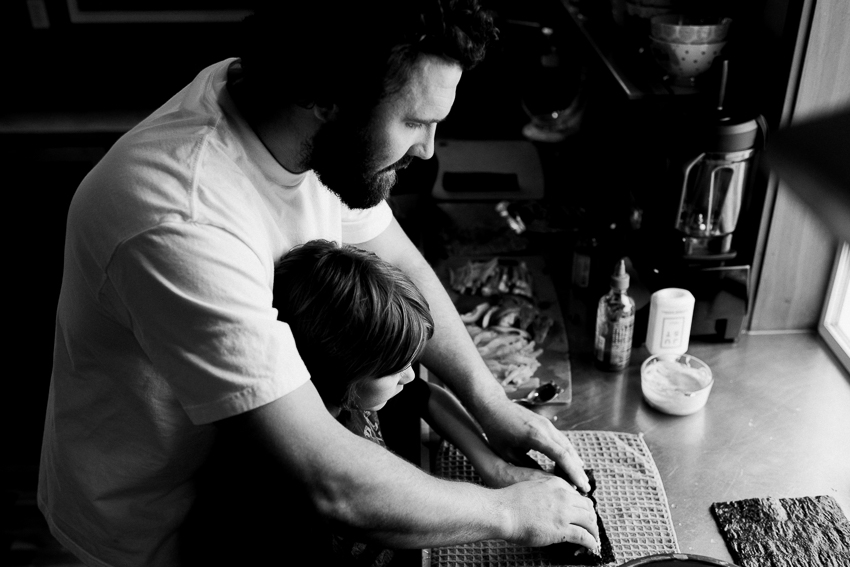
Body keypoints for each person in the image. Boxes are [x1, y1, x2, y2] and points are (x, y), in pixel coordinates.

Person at [38, 1, 598, 565]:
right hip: (168, 527)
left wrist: (491, 404)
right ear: (325, 96)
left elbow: (399, 260)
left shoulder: (302, 129)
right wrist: (512, 513)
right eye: (414, 122)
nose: (427, 150)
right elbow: (331, 480)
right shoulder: (180, 217)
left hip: (253, 483)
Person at [183, 239, 569, 565]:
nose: (411, 375)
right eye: (395, 370)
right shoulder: (282, 496)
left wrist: (494, 466)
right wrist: (508, 510)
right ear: (344, 374)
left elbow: (426, 397)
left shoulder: (348, 395)